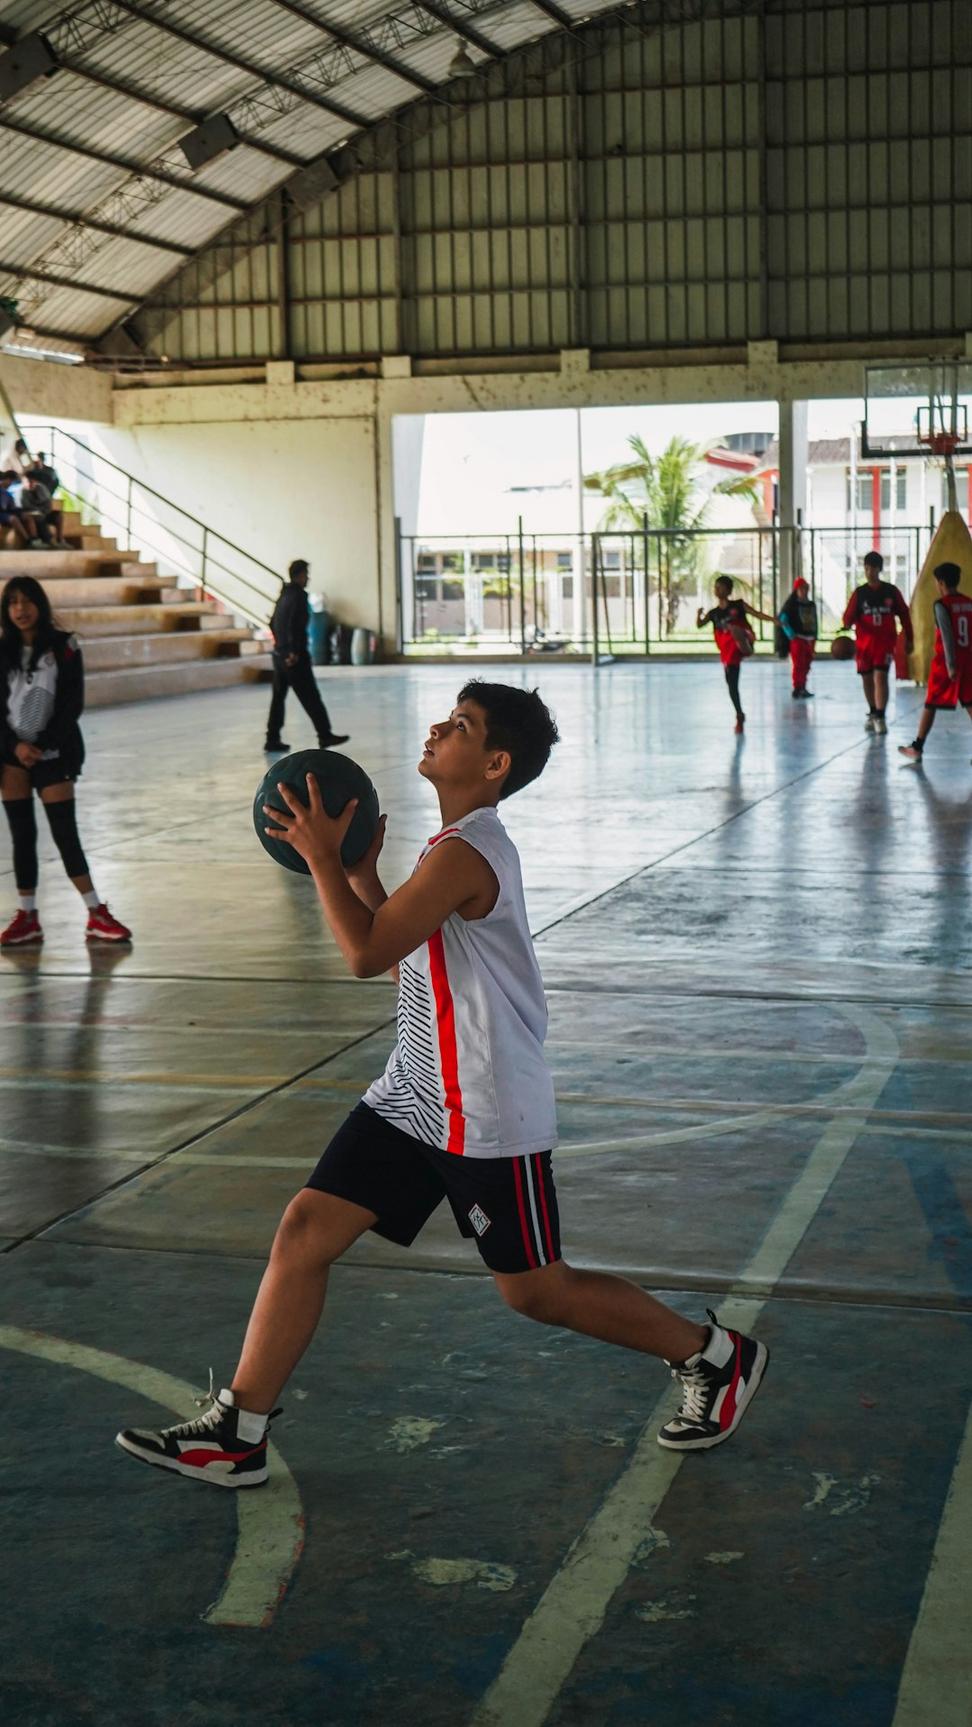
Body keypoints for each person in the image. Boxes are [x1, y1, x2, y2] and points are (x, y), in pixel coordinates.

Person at [115, 680, 768, 1485]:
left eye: (460, 725)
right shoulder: (450, 845)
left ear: (494, 763)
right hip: (416, 1091)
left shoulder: (470, 851)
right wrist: (359, 874)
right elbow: (406, 958)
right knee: (305, 1229)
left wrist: (322, 859)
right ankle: (239, 1431)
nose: (437, 727)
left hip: (486, 1107)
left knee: (536, 1291)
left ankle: (714, 1356)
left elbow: (363, 955)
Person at [0, 577, 131, 947]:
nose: (20, 610)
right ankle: (27, 917)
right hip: (11, 756)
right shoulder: (3, 650)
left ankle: (95, 913)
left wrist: (40, 745)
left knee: (64, 833)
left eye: (27, 601)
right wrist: (15, 747)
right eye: (12, 603)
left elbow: (72, 702)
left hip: (52, 752)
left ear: (40, 604)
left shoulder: (64, 646)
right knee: (22, 836)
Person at [264, 559, 348, 753]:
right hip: (294, 658)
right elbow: (295, 625)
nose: (308, 578)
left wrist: (280, 648)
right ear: (300, 575)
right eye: (306, 574)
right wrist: (291, 651)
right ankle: (325, 735)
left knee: (278, 699)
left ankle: (272, 738)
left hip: (280, 656)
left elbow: (273, 623)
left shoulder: (284, 594)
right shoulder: (299, 596)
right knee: (311, 697)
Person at [898, 563, 972, 761]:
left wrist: (950, 665)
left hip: (947, 663)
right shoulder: (969, 602)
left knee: (931, 703)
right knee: (970, 702)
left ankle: (917, 747)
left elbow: (947, 636)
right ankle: (917, 747)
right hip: (968, 659)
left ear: (941, 582)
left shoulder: (942, 605)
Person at [842, 550, 913, 735]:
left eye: (872, 568)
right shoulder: (859, 594)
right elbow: (847, 618)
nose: (869, 571)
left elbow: (905, 615)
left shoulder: (891, 591)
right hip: (864, 645)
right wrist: (846, 623)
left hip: (885, 643)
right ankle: (873, 712)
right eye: (866, 568)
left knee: (881, 677)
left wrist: (910, 637)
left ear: (879, 569)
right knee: (867, 679)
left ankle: (881, 716)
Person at [697, 576, 776, 733]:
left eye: (720, 587)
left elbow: (757, 614)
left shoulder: (738, 605)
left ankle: (745, 644)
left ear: (728, 590)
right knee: (732, 686)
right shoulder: (714, 613)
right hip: (728, 650)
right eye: (715, 587)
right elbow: (700, 625)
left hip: (743, 637)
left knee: (735, 629)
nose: (716, 590)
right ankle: (739, 714)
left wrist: (774, 620)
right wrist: (698, 614)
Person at [777, 576, 818, 698]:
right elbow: (783, 620)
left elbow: (815, 622)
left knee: (806, 664)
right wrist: (792, 635)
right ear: (797, 590)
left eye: (806, 588)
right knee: (798, 665)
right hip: (798, 639)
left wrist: (815, 636)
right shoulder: (791, 606)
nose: (804, 591)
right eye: (801, 589)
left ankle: (803, 687)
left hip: (809, 639)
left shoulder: (811, 605)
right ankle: (797, 687)